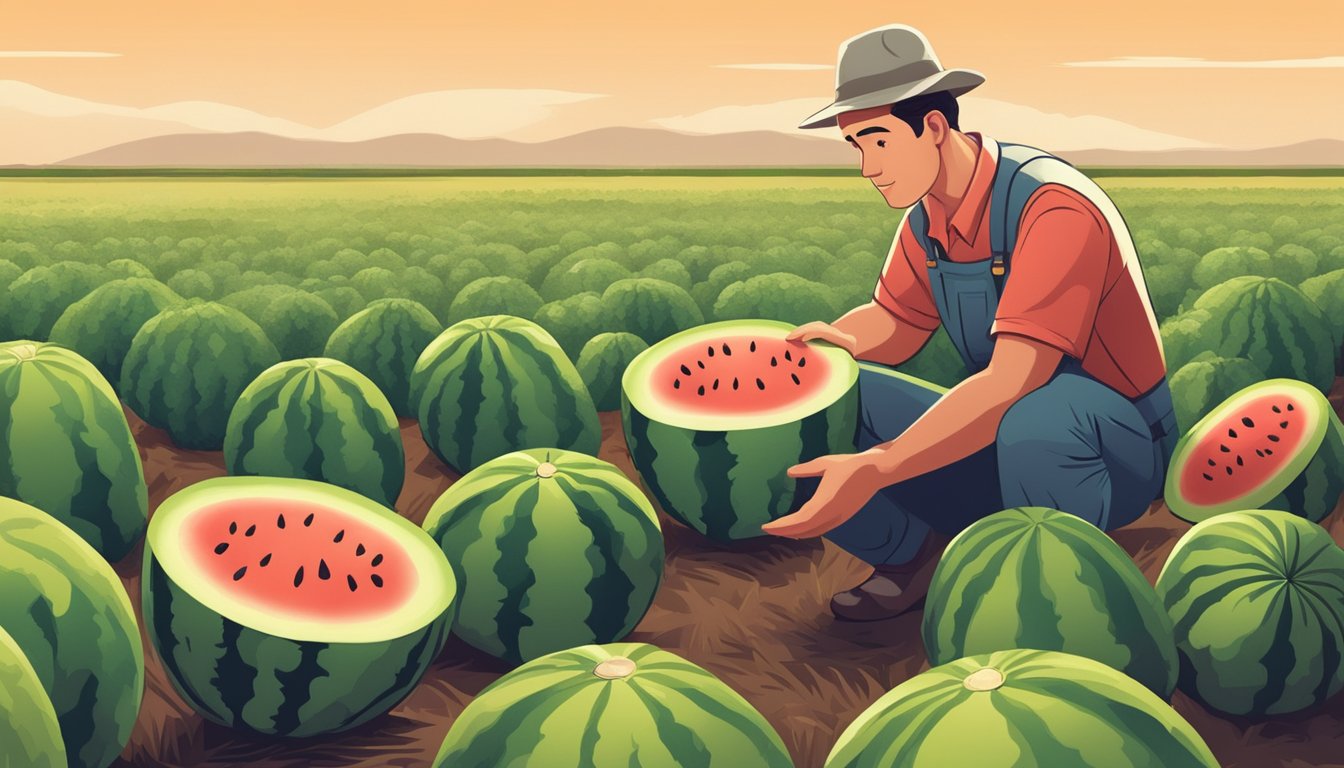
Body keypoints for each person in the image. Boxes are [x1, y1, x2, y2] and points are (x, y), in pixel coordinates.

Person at [760, 24, 1178, 622]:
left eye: (877, 141)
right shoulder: (927, 220)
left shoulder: (1053, 207)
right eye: (857, 146)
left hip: (1113, 448)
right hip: (1008, 430)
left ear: (933, 126)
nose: (867, 168)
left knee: (1041, 415)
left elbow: (1016, 378)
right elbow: (895, 323)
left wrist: (878, 465)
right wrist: (837, 344)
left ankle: (1060, 591)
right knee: (835, 397)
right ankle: (914, 558)